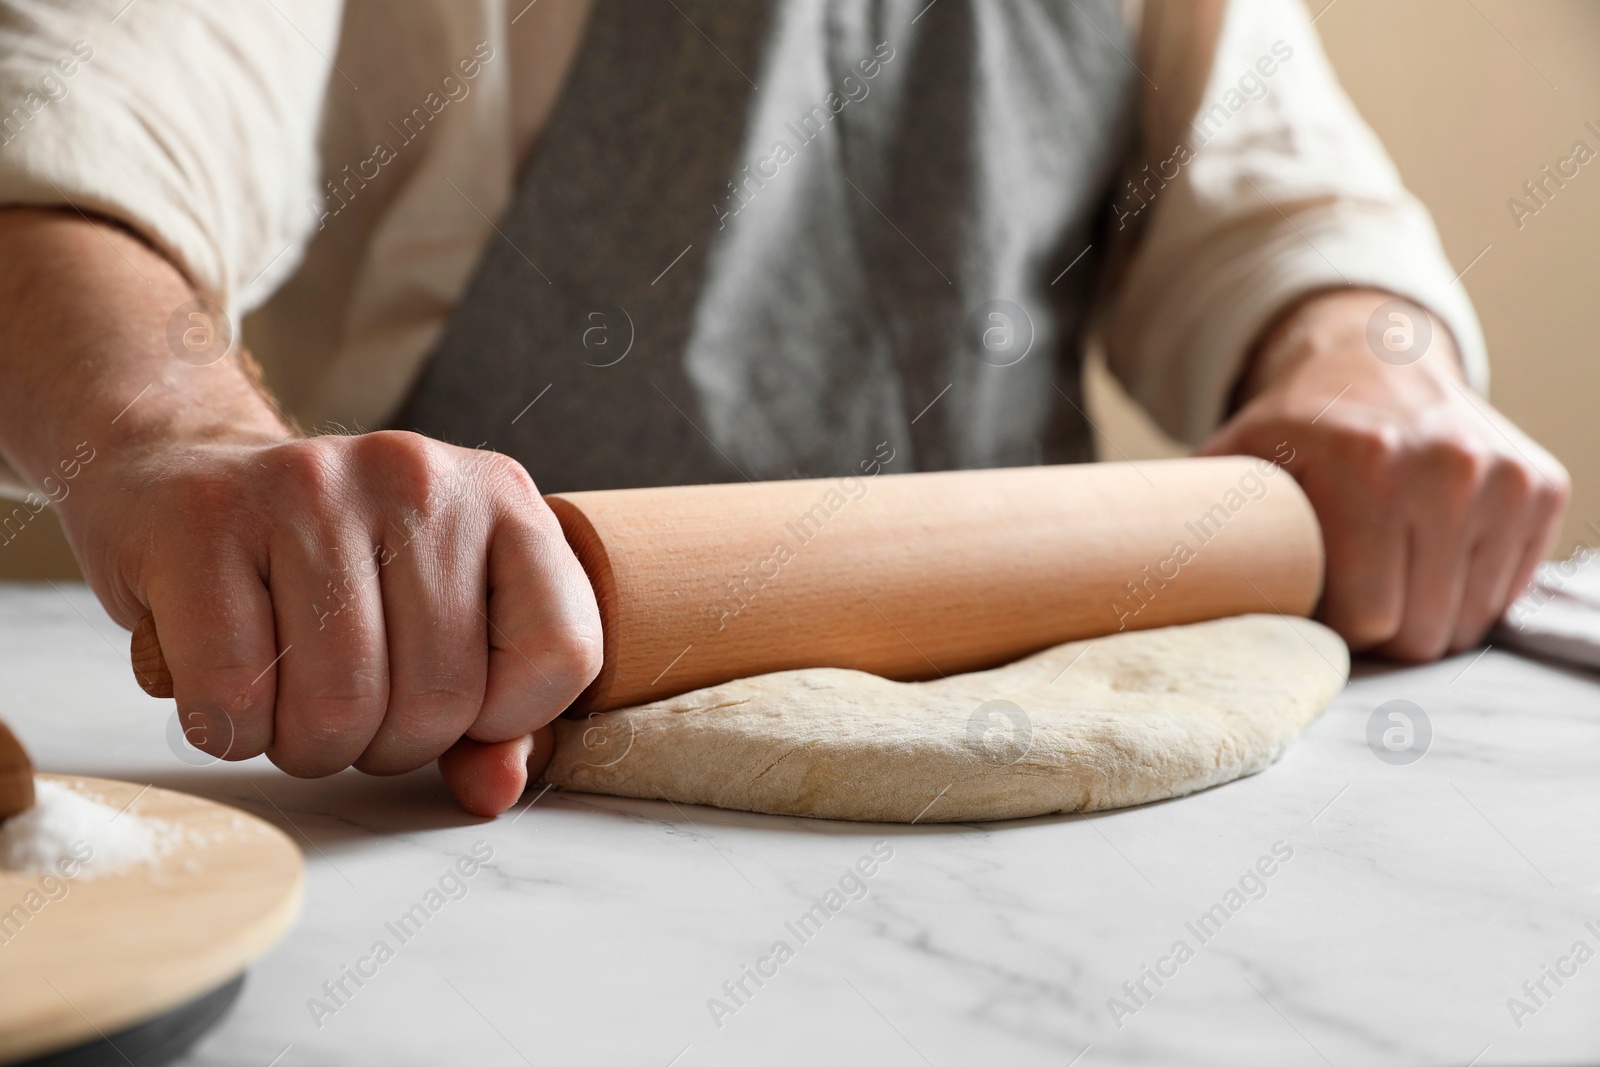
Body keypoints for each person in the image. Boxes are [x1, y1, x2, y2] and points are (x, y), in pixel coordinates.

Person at [0, 0, 1567, 815]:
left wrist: (1377, 367)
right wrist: (172, 432)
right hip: (491, 830)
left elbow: (1306, 230)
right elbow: (71, 138)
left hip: (1066, 842)